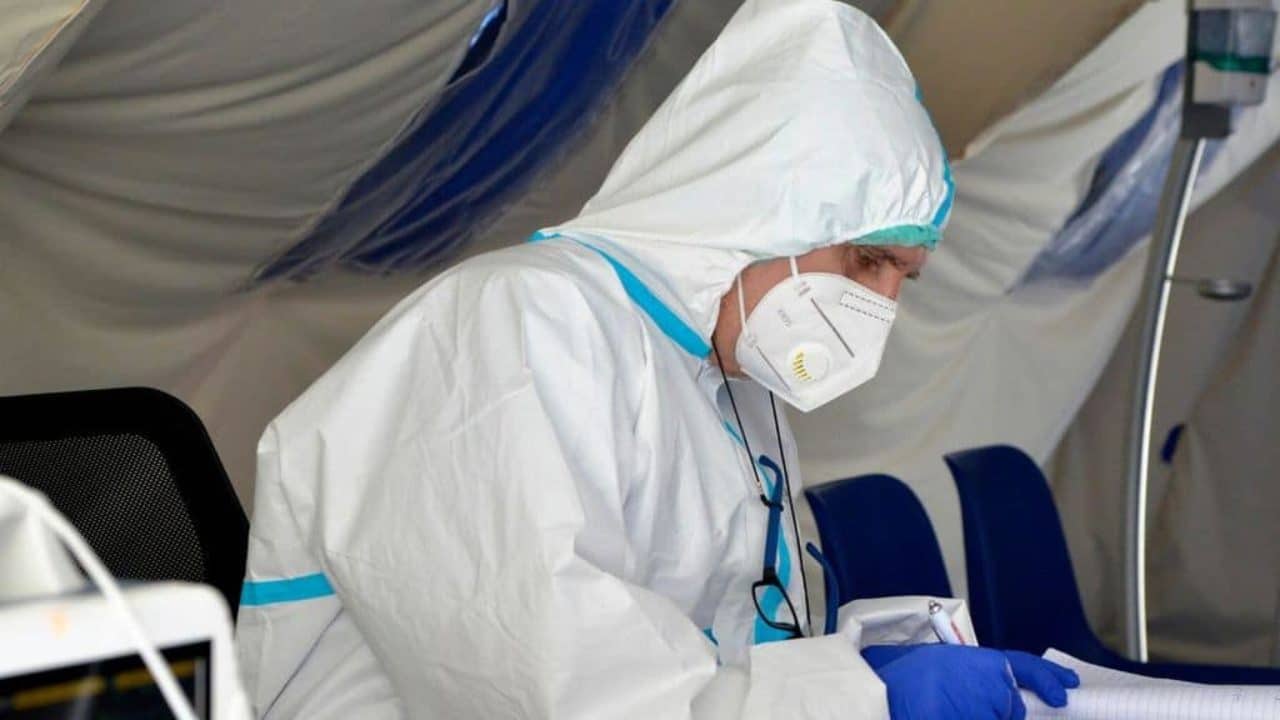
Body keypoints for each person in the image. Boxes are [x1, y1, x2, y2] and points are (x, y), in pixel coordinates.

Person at [236, 1, 1078, 717]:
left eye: (904, 278)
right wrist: (860, 699)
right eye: (867, 261)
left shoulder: (728, 383)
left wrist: (853, 665)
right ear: (763, 203)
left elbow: (712, 651)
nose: (883, 305)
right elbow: (551, 680)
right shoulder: (516, 323)